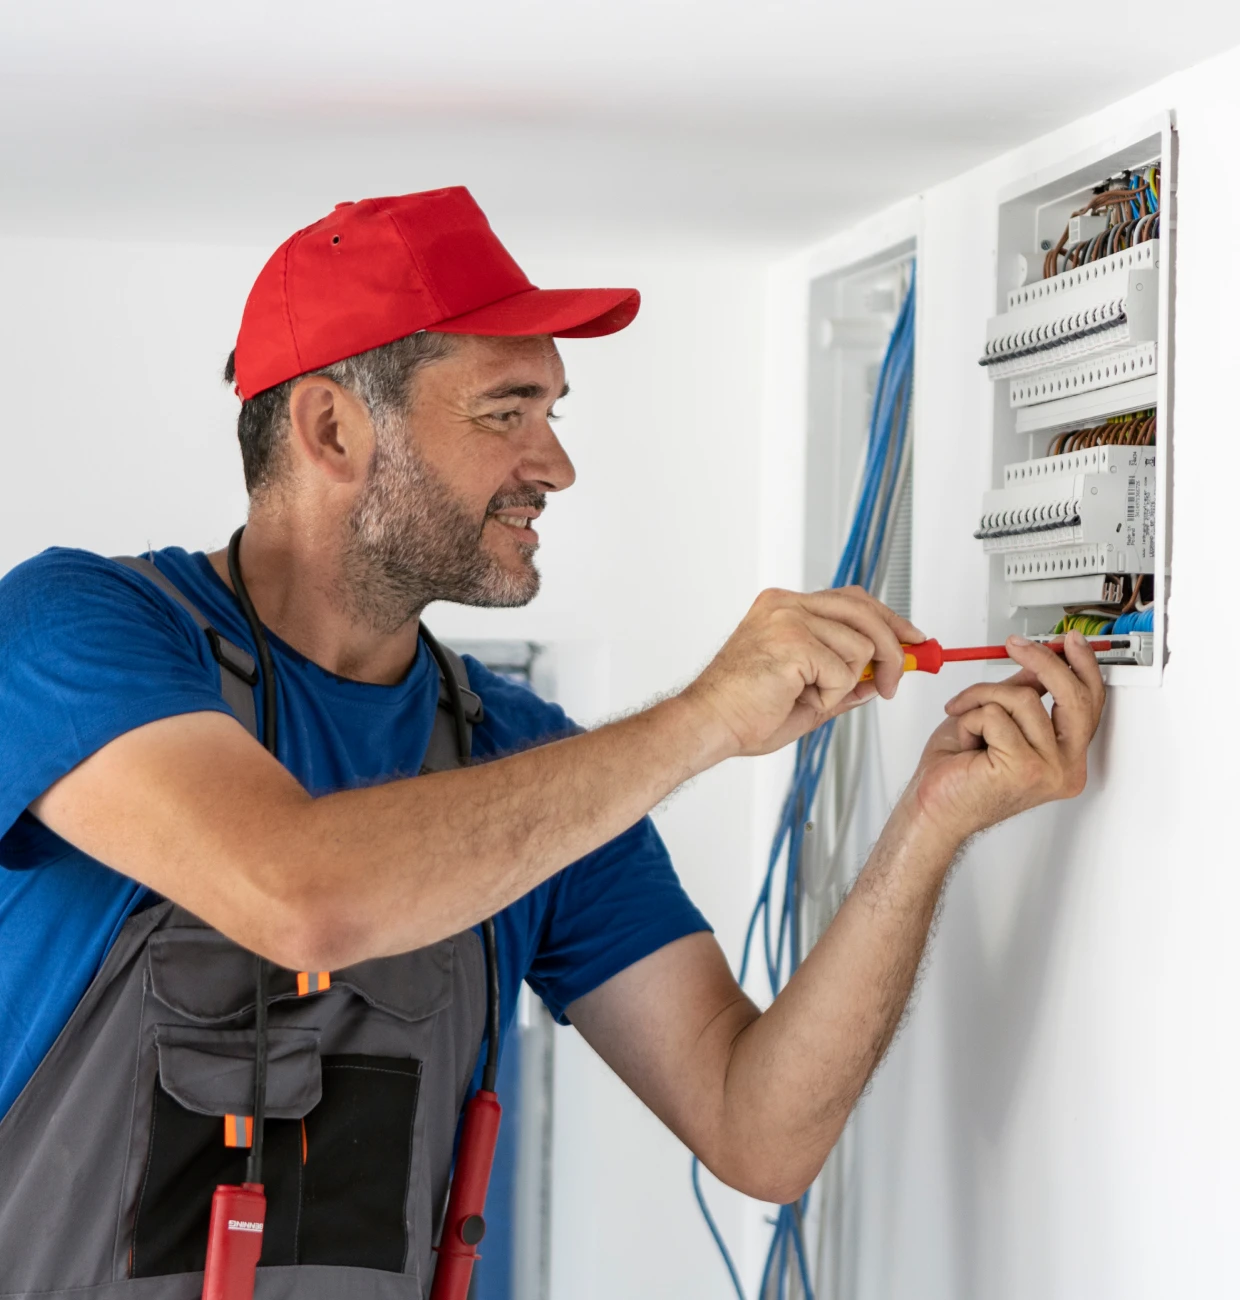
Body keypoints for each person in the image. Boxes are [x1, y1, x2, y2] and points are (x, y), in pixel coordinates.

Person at [0, 186, 1105, 1294]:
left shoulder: (524, 762)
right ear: (332, 427)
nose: (554, 464)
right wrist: (705, 717)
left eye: (552, 413)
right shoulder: (78, 631)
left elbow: (756, 1128)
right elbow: (298, 892)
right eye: (504, 411)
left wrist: (928, 825)